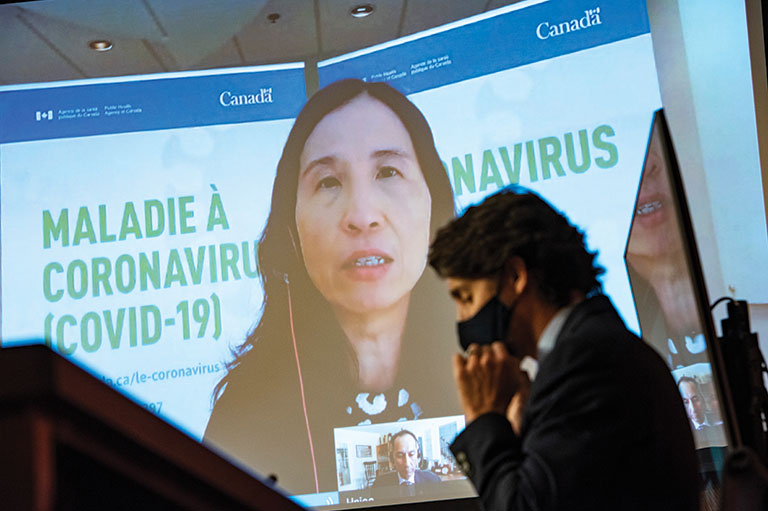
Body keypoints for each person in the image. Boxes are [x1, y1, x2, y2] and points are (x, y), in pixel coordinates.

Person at [203, 79, 459, 494]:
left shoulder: (501, 371)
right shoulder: (245, 414)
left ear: (435, 210)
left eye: (388, 172)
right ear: (291, 230)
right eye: (328, 183)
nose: (361, 216)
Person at [428, 186, 700, 511]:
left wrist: (485, 418)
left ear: (515, 276)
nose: (463, 319)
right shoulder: (593, 348)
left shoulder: (586, 361)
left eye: (467, 297)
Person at [372, 430, 441, 497]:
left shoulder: (434, 481)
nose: (407, 463)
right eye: (400, 456)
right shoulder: (379, 485)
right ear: (392, 459)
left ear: (418, 455)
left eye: (411, 454)